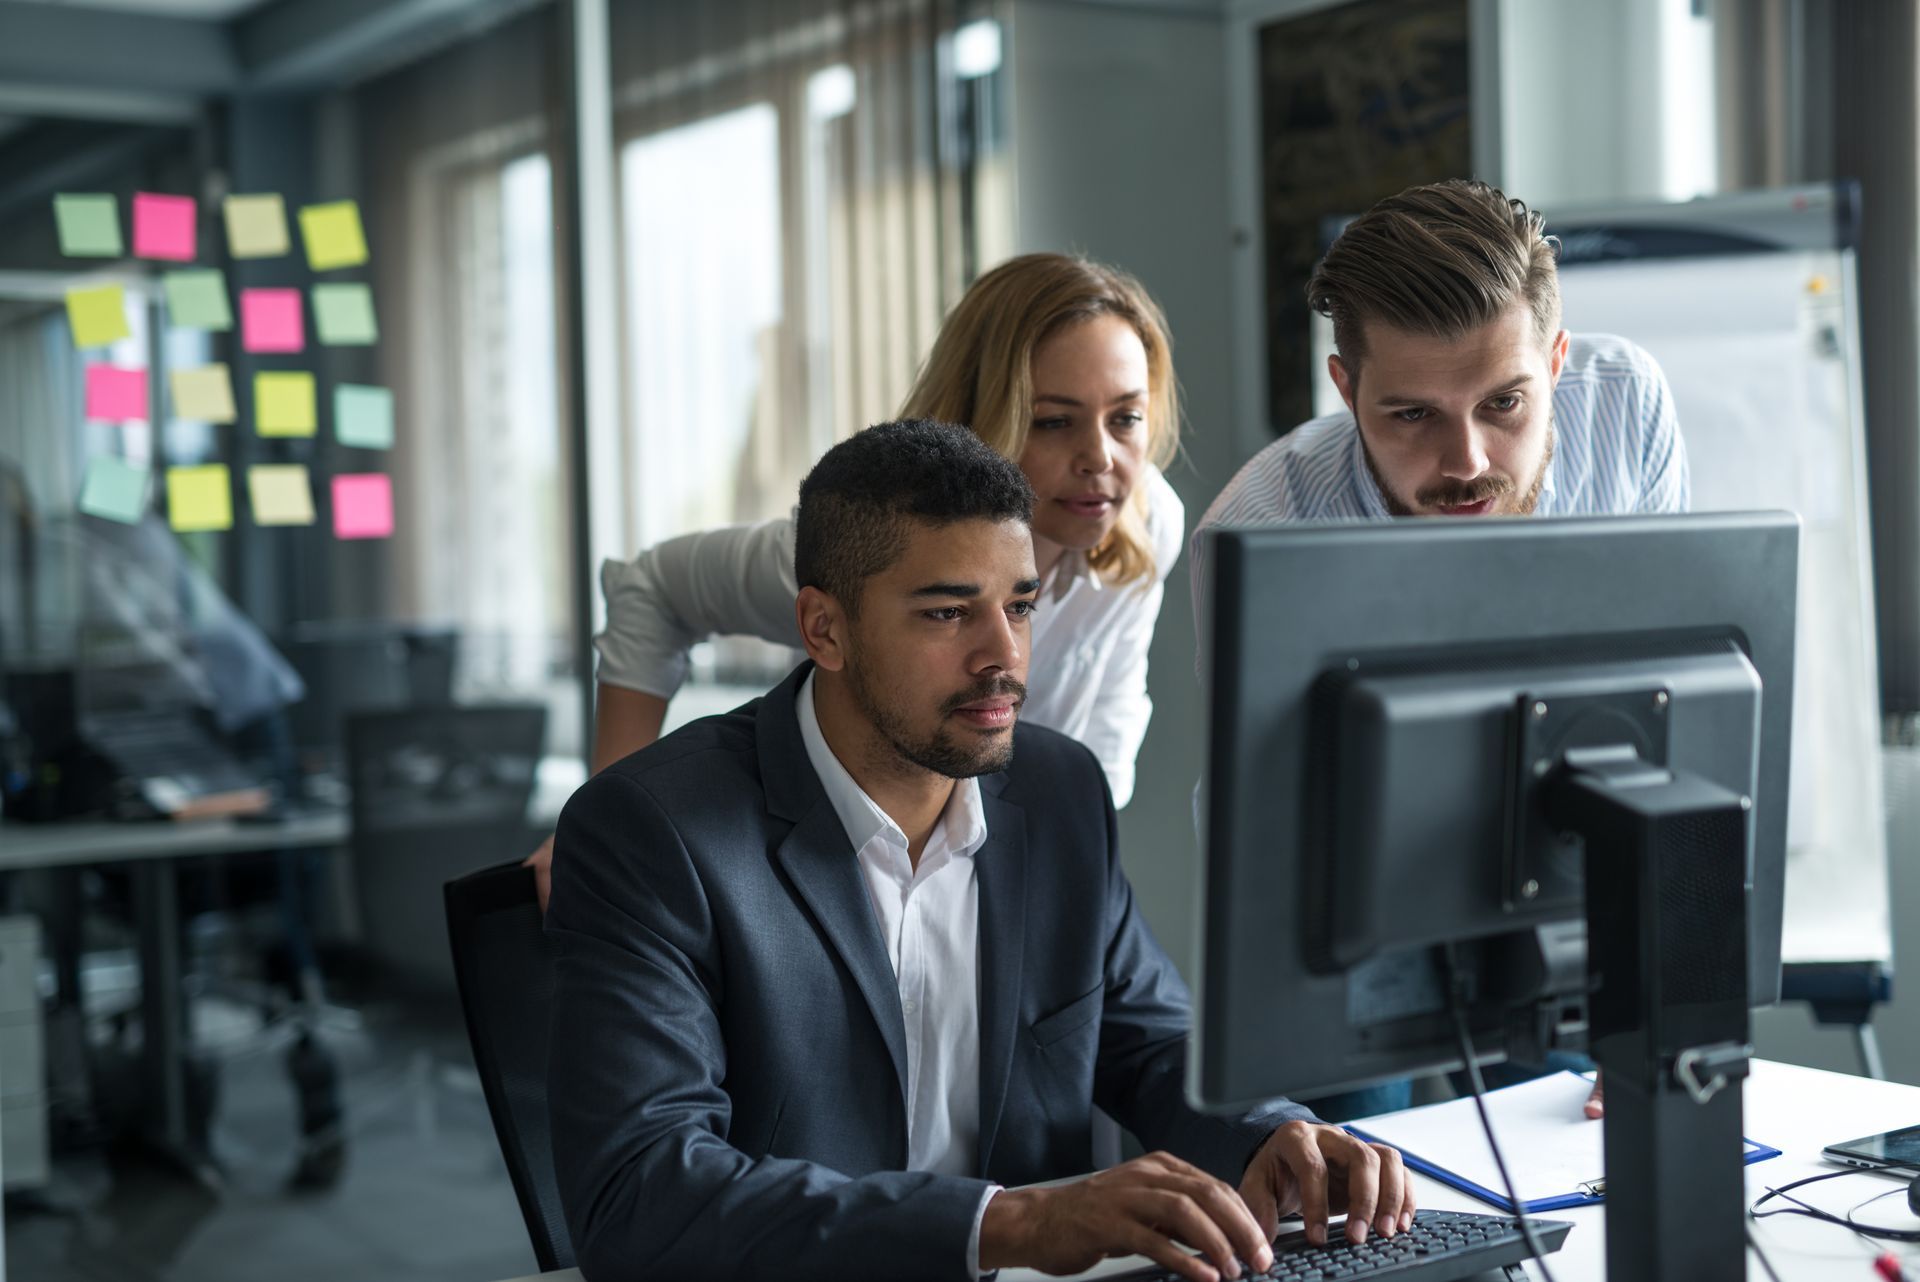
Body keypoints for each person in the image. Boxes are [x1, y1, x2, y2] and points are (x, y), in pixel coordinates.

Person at [545, 421, 1415, 1282]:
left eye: (1020, 607)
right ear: (824, 629)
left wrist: (1272, 1133)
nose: (1003, 657)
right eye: (948, 612)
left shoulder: (1057, 791)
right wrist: (1007, 1223)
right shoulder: (651, 831)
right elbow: (639, 1196)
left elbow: (1149, 1038)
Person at [1194, 178, 1684, 1123]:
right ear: (1346, 388)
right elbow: (1262, 828)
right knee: (1359, 1210)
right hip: (1343, 914)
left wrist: (1648, 1004)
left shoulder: (1626, 412)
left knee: (1578, 1204)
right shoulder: (1264, 528)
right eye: (1412, 415)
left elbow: (1658, 715)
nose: (1466, 460)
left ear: (1556, 359)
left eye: (1505, 403)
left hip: (1563, 869)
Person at [527, 253, 1186, 907]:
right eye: (1054, 421)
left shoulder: (1146, 523)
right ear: (989, 413)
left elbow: (1097, 754)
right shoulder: (871, 546)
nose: (1101, 458)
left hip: (996, 886)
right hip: (834, 874)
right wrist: (599, 822)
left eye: (1126, 417)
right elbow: (654, 587)